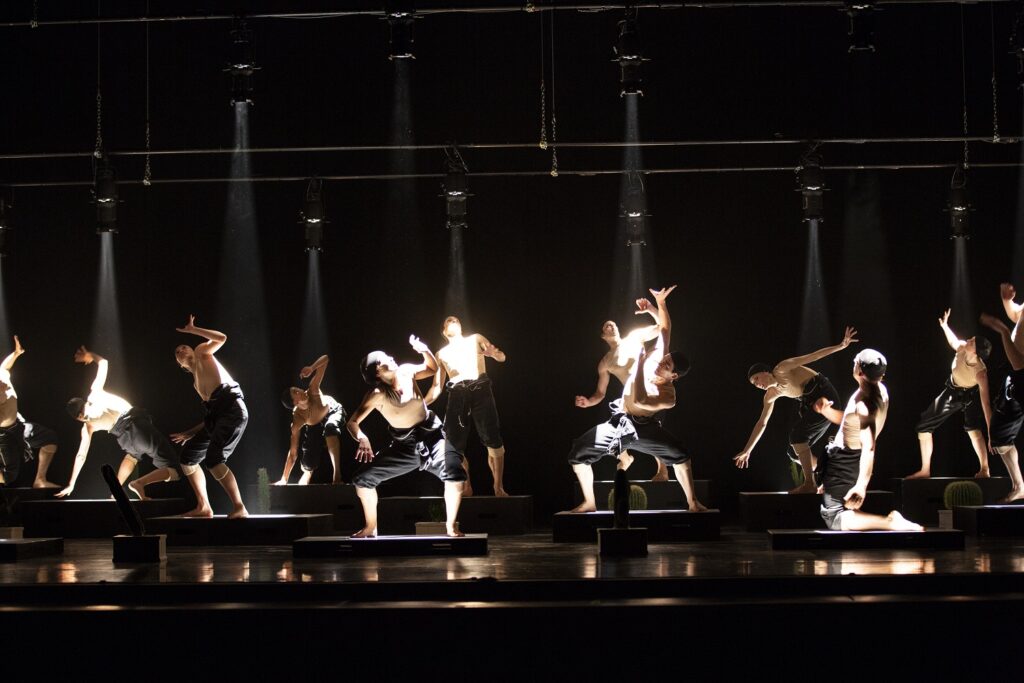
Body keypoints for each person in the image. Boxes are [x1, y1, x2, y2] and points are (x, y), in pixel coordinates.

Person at [567, 286, 706, 513]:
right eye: (665, 358)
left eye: (667, 364)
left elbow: (641, 400)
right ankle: (589, 502)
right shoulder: (652, 358)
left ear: (674, 376)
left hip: (644, 427)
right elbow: (666, 328)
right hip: (620, 421)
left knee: (681, 455)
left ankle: (692, 502)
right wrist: (658, 304)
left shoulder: (668, 395)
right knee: (578, 452)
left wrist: (640, 364)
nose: (662, 361)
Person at [346, 335, 466, 538]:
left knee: (455, 474)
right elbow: (352, 422)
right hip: (405, 446)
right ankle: (370, 527)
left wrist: (424, 350)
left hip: (432, 437)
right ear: (377, 370)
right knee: (362, 479)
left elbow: (432, 369)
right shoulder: (377, 393)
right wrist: (362, 438)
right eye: (384, 358)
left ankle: (451, 526)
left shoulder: (406, 371)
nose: (391, 357)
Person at [734, 327, 857, 493]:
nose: (757, 384)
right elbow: (762, 423)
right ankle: (828, 476)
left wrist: (841, 346)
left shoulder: (782, 369)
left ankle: (810, 484)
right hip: (810, 403)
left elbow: (813, 356)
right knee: (793, 452)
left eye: (757, 378)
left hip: (824, 393)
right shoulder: (770, 395)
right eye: (754, 384)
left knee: (797, 436)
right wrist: (747, 450)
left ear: (765, 371)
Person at [813, 349, 923, 531]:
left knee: (834, 517)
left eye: (855, 361)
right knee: (838, 510)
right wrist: (827, 411)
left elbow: (869, 446)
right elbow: (850, 422)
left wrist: (861, 486)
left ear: (860, 371)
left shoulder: (865, 405)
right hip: (845, 460)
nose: (853, 363)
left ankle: (889, 522)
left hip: (845, 461)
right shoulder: (879, 389)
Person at [59, 346, 179, 500]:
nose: (87, 417)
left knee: (132, 456)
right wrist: (91, 355)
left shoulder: (87, 425)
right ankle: (139, 483)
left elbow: (81, 455)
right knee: (174, 468)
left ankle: (116, 491)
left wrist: (72, 484)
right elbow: (103, 362)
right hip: (135, 425)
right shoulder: (94, 393)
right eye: (84, 417)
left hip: (124, 439)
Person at [574, 301, 670, 482]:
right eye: (607, 326)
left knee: (653, 428)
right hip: (630, 397)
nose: (611, 325)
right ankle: (625, 457)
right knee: (617, 425)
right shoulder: (605, 362)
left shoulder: (634, 337)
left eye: (614, 324)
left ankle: (662, 470)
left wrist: (650, 309)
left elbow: (661, 326)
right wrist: (588, 402)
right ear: (603, 336)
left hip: (649, 391)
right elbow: (600, 393)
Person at [171, 315, 248, 518]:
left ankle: (240, 507)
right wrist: (190, 433)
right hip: (219, 418)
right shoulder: (196, 383)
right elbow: (212, 416)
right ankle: (204, 507)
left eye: (184, 347)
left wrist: (193, 330)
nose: (182, 350)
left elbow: (222, 338)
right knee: (187, 458)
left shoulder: (202, 353)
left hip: (233, 410)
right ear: (180, 364)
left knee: (214, 459)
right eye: (178, 352)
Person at [427, 316, 508, 496]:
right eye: (449, 320)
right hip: (457, 393)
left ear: (461, 326)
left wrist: (494, 354)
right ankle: (466, 486)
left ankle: (498, 486)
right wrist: (421, 405)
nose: (453, 319)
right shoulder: (441, 353)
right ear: (444, 331)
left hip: (480, 389)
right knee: (453, 442)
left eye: (455, 319)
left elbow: (501, 356)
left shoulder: (475, 339)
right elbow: (436, 387)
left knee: (492, 439)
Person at [908, 309, 992, 479]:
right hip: (953, 390)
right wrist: (945, 326)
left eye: (972, 342)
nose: (968, 340)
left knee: (973, 429)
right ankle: (925, 470)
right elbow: (953, 341)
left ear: (976, 352)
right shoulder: (962, 348)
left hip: (971, 395)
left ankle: (985, 469)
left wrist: (992, 431)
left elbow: (986, 403)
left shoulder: (980, 372)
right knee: (924, 425)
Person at [978, 282, 1024, 502]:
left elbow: (1019, 364)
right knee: (999, 435)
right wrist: (1007, 301)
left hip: (1021, 373)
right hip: (1016, 375)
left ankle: (1019, 485)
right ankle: (1019, 485)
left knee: (1000, 434)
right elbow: (1017, 314)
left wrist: (1003, 331)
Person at [276, 354, 346, 485]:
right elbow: (293, 453)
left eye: (296, 389)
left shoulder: (312, 389)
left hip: (332, 411)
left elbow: (326, 359)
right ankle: (308, 472)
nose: (299, 390)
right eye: (295, 392)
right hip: (314, 424)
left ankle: (337, 476)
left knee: (330, 428)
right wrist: (284, 479)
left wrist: (312, 368)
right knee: (308, 463)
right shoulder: (298, 420)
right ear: (296, 403)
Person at [0, 336, 59, 489]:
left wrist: (16, 353)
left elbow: (5, 368)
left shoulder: (2, 374)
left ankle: (40, 480)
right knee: (9, 476)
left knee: (49, 438)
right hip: (4, 434)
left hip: (19, 426)